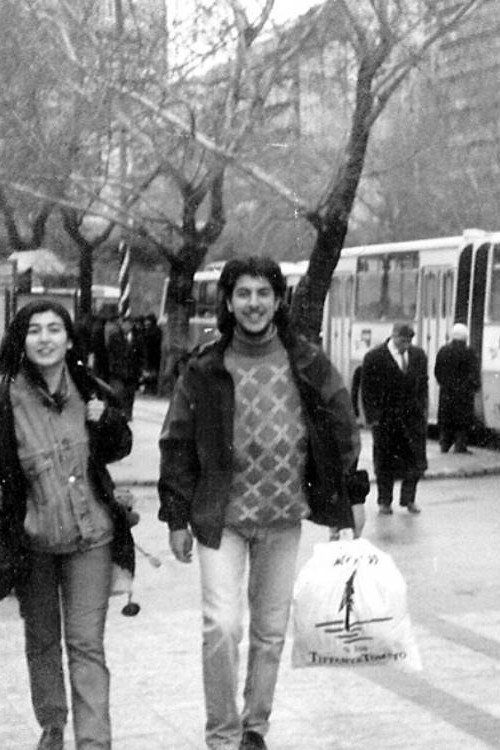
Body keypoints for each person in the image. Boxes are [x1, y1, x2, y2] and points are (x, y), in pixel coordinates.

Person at [158, 256, 366, 750]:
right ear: (228, 301)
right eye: (243, 294)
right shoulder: (205, 367)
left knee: (271, 632)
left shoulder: (306, 361)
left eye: (263, 294)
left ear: (278, 300)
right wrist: (175, 517)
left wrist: (349, 498)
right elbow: (176, 441)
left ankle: (255, 727)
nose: (254, 304)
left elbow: (342, 428)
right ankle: (222, 735)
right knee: (222, 627)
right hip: (220, 520)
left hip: (282, 516)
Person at [0, 300, 135, 750]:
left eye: (54, 329)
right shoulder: (0, 399)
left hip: (92, 537)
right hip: (34, 542)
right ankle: (52, 724)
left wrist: (106, 420)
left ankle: (94, 741)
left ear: (69, 339)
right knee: (42, 639)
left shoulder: (90, 389)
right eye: (34, 330)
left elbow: (119, 446)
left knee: (86, 643)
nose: (45, 339)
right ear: (20, 340)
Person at [361, 322, 428, 514]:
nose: (406, 345)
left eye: (409, 342)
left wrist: (422, 410)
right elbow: (366, 390)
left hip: (412, 418)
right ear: (394, 337)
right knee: (385, 461)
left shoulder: (418, 356)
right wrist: (372, 416)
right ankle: (384, 502)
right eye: (402, 341)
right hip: (385, 420)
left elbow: (423, 384)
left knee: (415, 461)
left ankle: (409, 500)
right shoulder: (374, 357)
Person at [433, 322, 479, 454]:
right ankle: (460, 446)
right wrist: (473, 388)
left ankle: (444, 445)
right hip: (464, 395)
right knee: (462, 423)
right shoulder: (469, 352)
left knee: (446, 420)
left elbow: (437, 371)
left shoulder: (443, 351)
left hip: (446, 393)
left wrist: (444, 384)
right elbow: (474, 374)